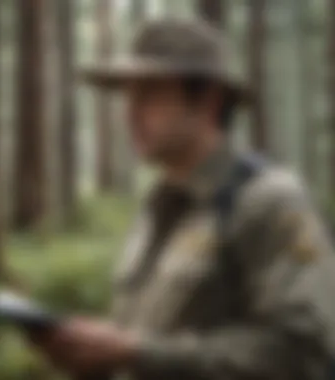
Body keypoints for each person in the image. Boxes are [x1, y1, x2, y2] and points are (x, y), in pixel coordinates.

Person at [30, 19, 335, 380]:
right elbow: (148, 336)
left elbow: (305, 351)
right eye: (129, 95)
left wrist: (138, 351)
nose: (130, 112)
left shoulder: (269, 201)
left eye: (151, 93)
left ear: (207, 100)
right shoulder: (158, 208)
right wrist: (94, 352)